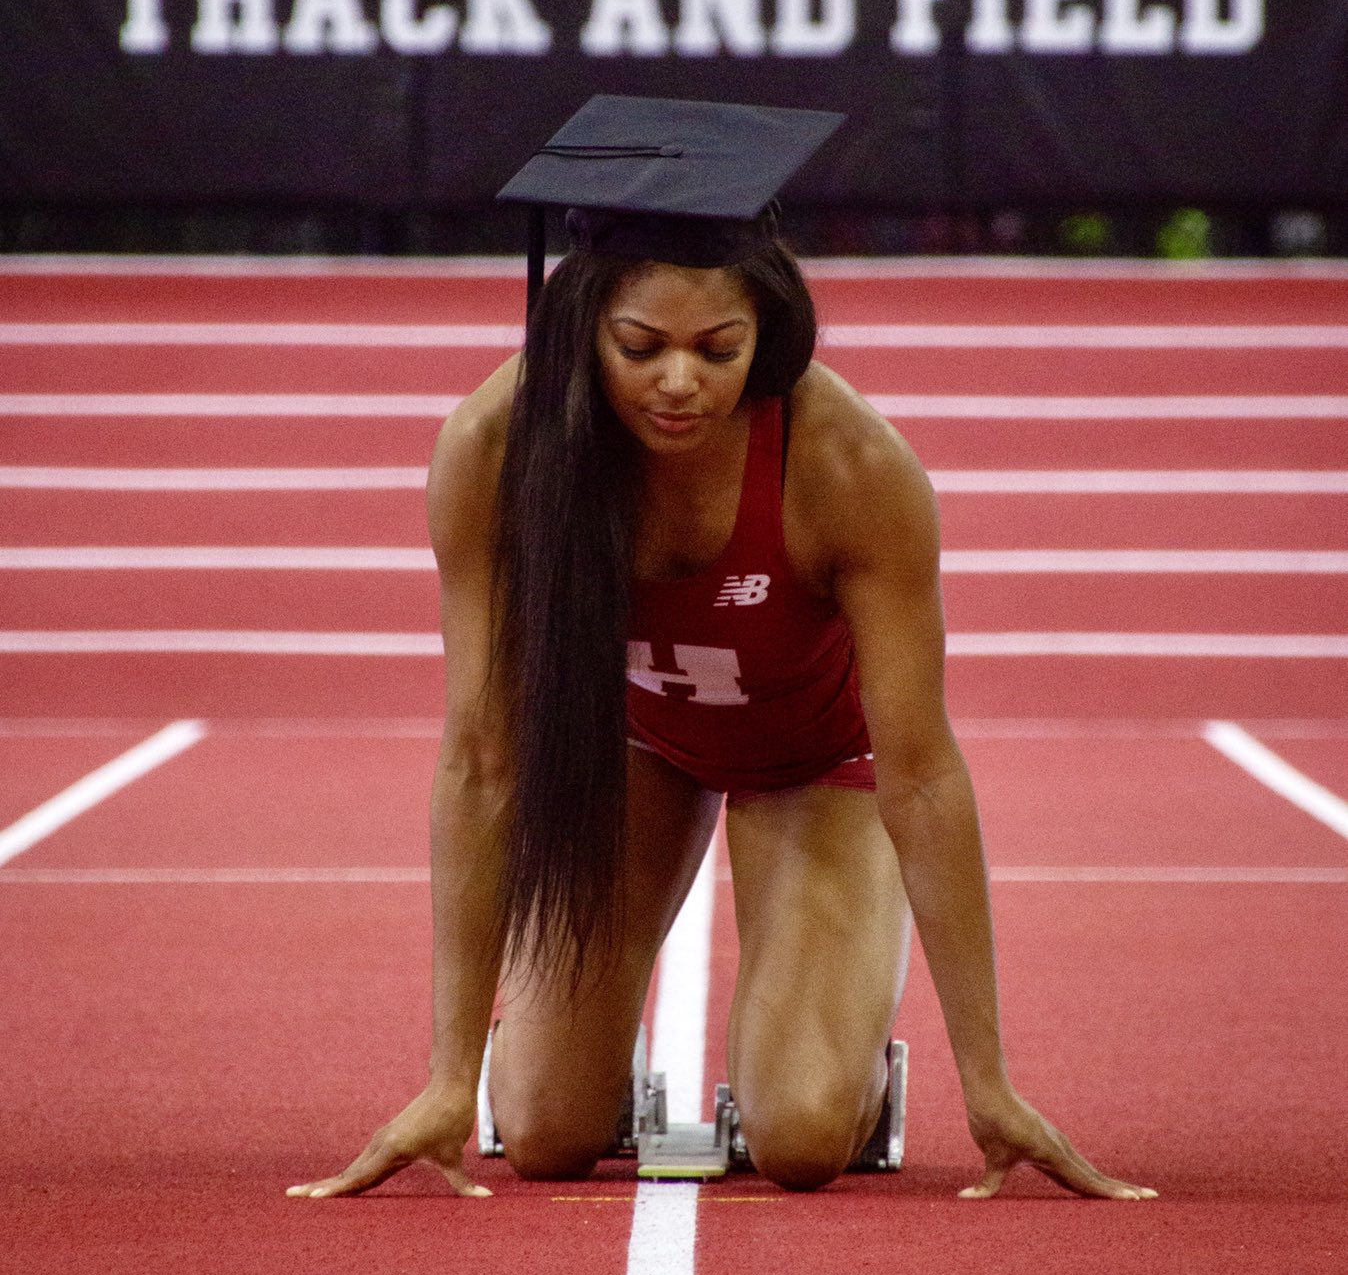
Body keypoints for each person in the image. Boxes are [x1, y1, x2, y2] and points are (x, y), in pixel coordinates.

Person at [289, 97, 1154, 1204]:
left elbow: (925, 773)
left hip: (817, 763)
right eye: (640, 348)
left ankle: (850, 1075)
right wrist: (447, 1074)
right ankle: (576, 1067)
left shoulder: (849, 467)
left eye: (720, 348)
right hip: (641, 747)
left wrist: (989, 1077)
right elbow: (480, 756)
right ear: (579, 329)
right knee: (544, 1128)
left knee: (796, 1139)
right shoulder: (494, 449)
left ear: (771, 337)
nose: (681, 382)